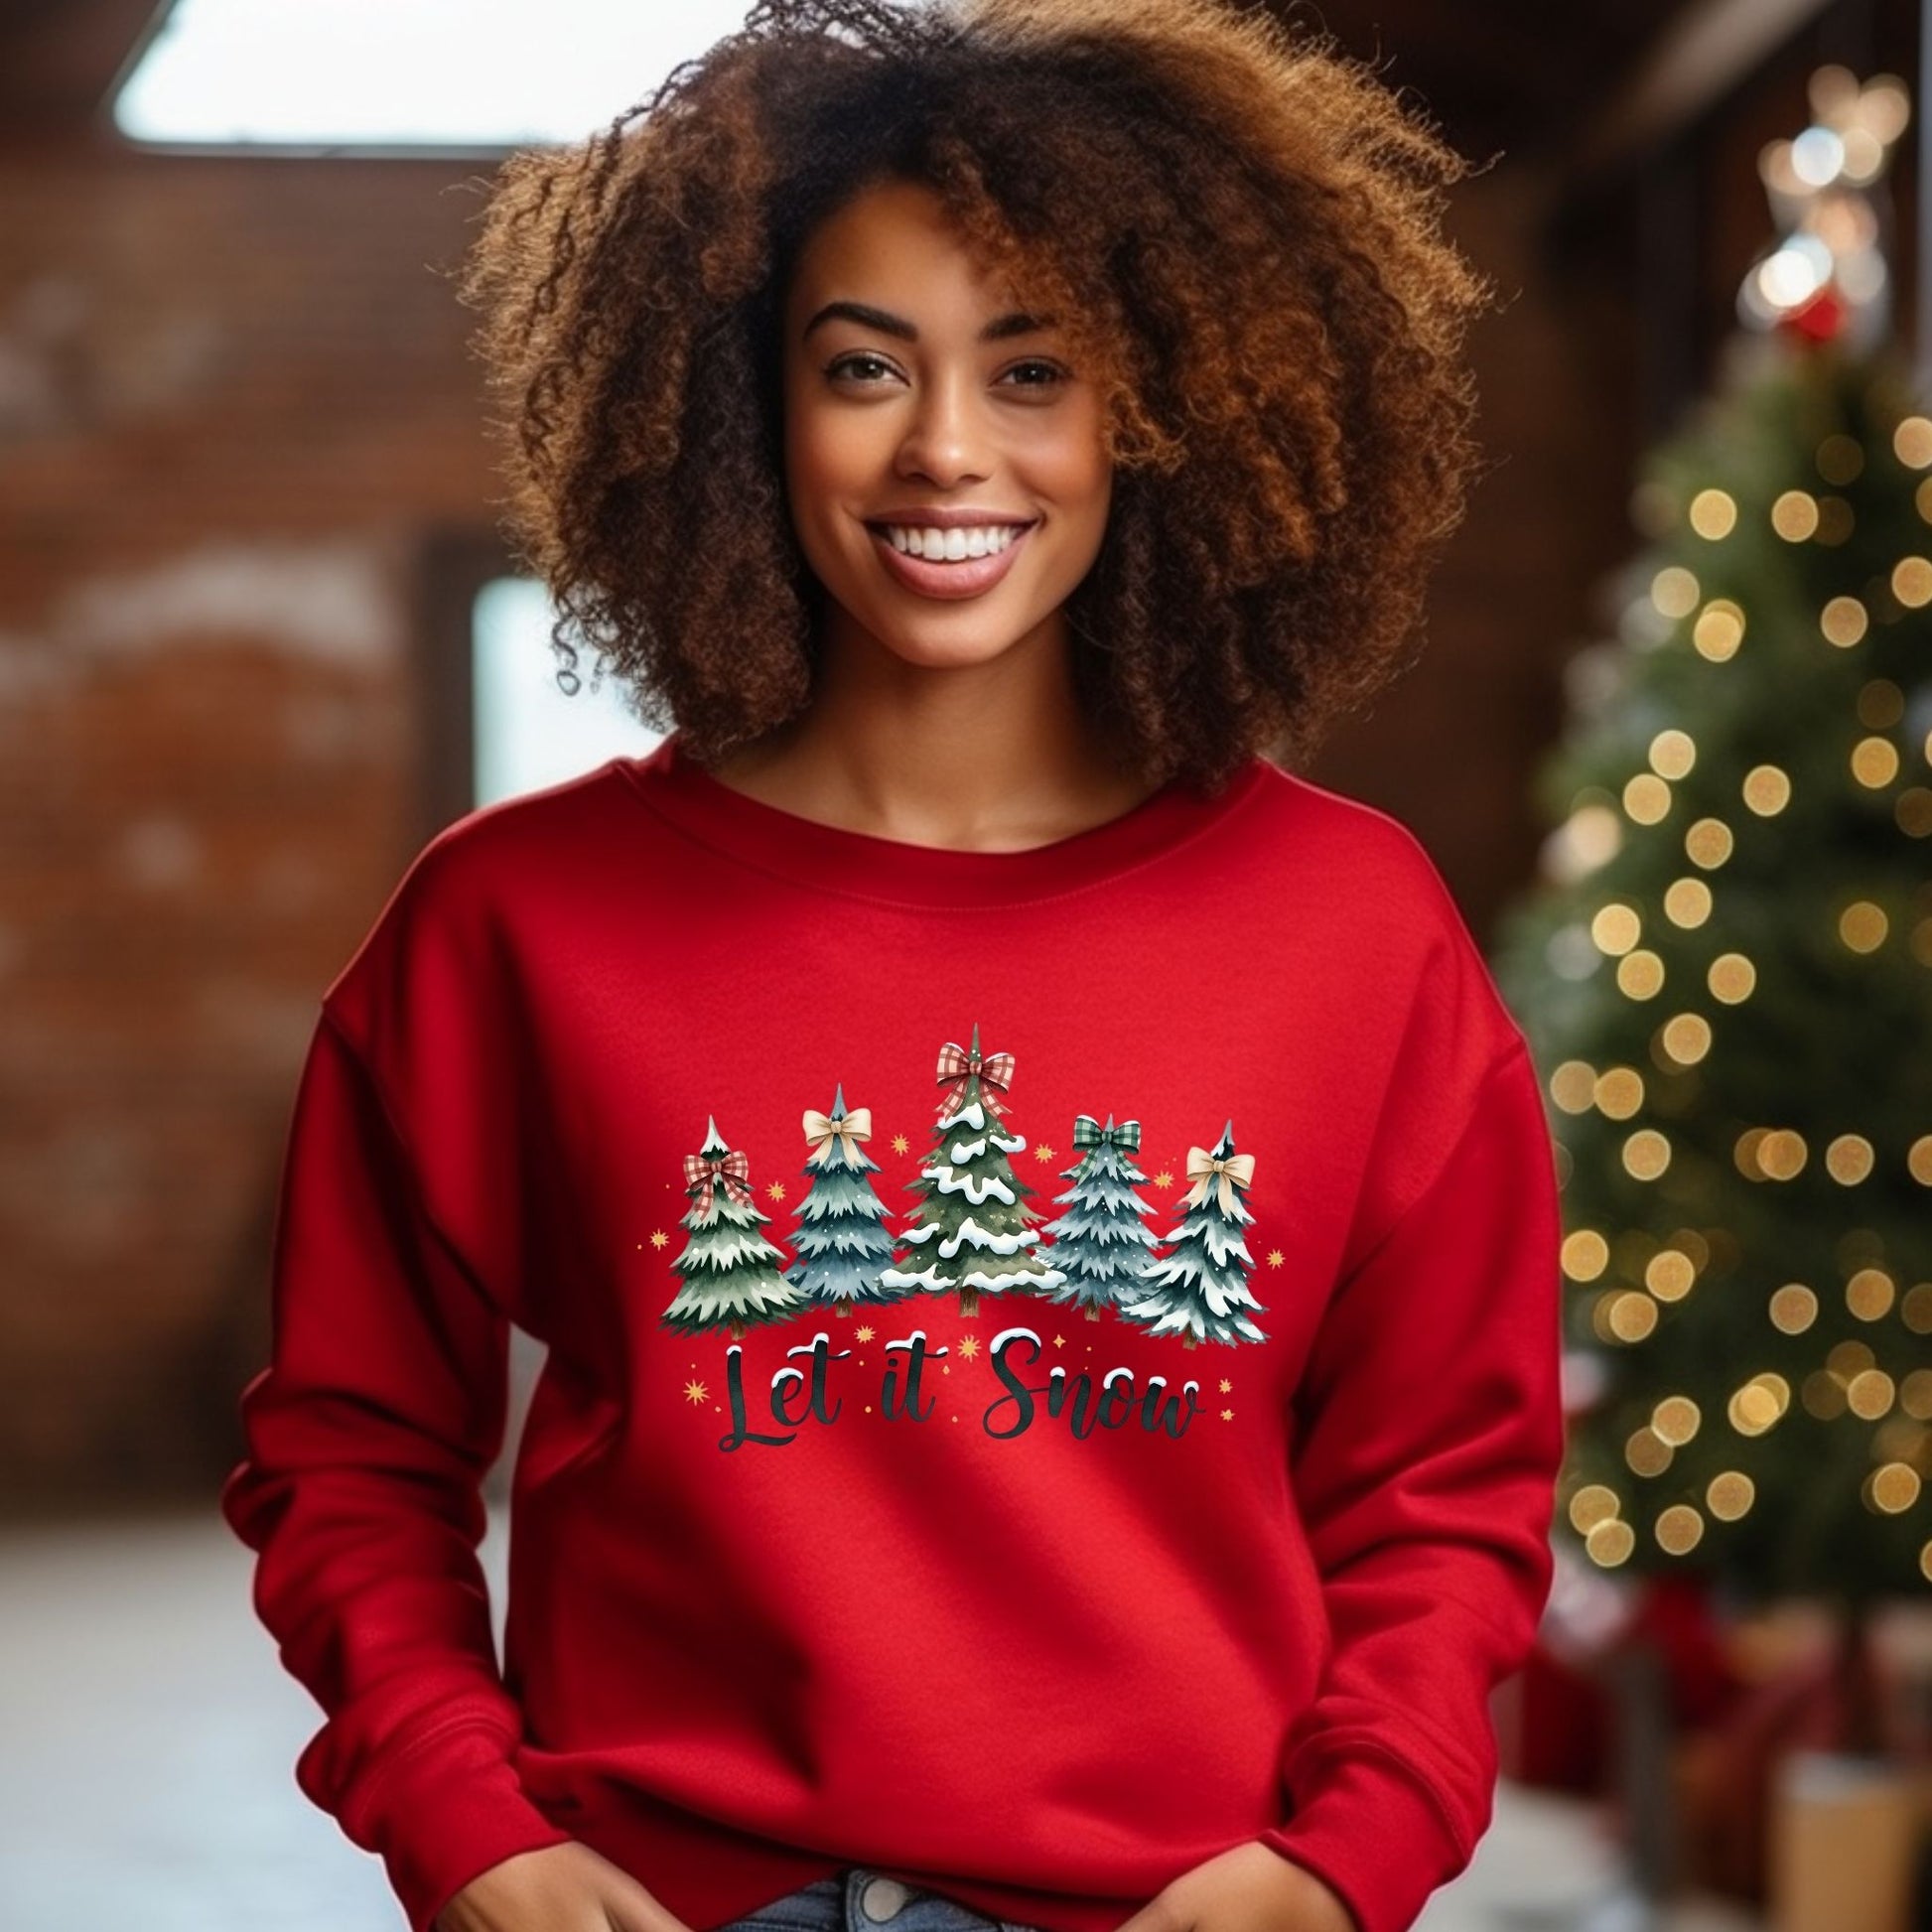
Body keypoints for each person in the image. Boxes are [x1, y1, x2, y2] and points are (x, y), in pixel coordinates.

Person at [219, 4, 1566, 1932]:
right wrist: (473, 1824)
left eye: (1036, 369)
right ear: (740, 406)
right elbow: (351, 1450)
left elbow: (1445, 1486)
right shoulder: (512, 921)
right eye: (865, 366)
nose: (948, 446)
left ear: (1166, 406)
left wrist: (1337, 1862)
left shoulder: (1355, 927)